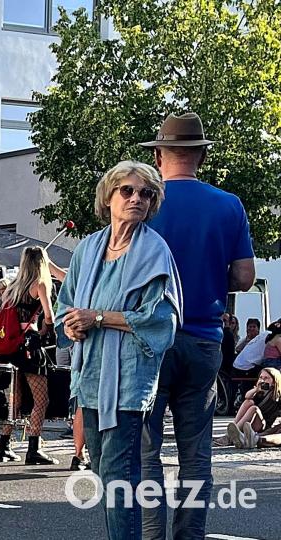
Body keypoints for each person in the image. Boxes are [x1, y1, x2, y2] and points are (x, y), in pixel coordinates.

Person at [141, 112, 256, 539]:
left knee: (147, 452)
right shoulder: (229, 205)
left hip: (149, 340)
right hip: (204, 337)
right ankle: (189, 535)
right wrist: (210, 276)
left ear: (157, 155)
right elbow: (244, 277)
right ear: (201, 157)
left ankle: (152, 535)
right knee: (195, 455)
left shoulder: (142, 203)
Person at [56, 160, 182, 540]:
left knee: (119, 475)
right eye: (127, 190)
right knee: (103, 471)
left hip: (128, 379)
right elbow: (66, 304)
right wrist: (70, 323)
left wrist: (96, 317)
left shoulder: (154, 251)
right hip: (90, 374)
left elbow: (161, 320)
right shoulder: (88, 248)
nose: (136, 199)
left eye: (146, 193)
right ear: (108, 196)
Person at [0, 246, 57, 465]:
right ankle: (34, 446)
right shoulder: (39, 284)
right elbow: (49, 316)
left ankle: (4, 445)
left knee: (15, 398)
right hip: (30, 346)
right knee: (41, 398)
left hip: (11, 346)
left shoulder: (12, 287)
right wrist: (44, 330)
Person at [223, 368, 281, 449]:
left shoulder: (277, 395)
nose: (263, 380)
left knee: (254, 408)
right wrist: (256, 390)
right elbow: (247, 396)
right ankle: (234, 429)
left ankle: (229, 437)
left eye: (266, 378)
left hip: (263, 425)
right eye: (261, 377)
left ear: (275, 382)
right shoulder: (259, 392)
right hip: (250, 424)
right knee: (249, 402)